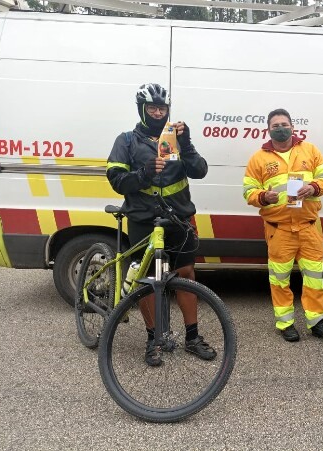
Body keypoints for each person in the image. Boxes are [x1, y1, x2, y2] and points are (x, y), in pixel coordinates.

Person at [107, 83, 216, 366]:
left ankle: (192, 337)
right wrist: (142, 174)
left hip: (178, 218)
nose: (158, 113)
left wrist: (187, 143)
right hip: (143, 219)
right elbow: (116, 180)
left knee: (186, 274)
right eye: (152, 108)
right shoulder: (126, 141)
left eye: (162, 108)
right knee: (147, 279)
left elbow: (200, 171)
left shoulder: (175, 138)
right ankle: (153, 339)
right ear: (142, 110)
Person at [243, 108, 323, 343]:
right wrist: (263, 197)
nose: (280, 128)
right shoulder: (258, 158)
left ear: (292, 127)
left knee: (314, 279)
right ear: (268, 130)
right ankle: (285, 323)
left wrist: (313, 188)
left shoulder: (310, 150)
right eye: (275, 126)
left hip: (308, 227)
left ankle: (316, 322)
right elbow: (248, 191)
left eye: (284, 124)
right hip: (279, 229)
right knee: (279, 280)